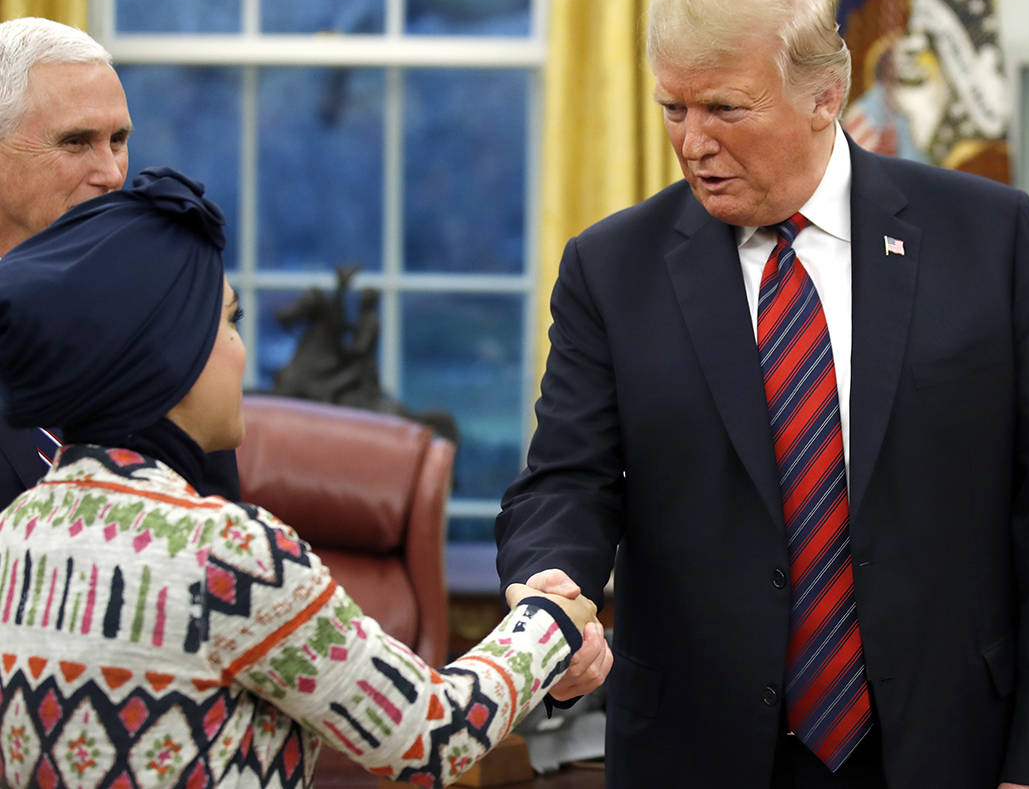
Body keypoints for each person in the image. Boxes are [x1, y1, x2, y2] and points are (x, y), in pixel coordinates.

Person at [496, 0, 1029, 789]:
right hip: (699, 749)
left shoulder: (986, 236)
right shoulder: (613, 268)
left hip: (946, 743)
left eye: (724, 108)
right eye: (672, 108)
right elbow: (567, 477)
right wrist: (550, 589)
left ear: (826, 95)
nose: (693, 141)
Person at [0, 168, 604, 787]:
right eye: (229, 322)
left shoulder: (16, 532)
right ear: (169, 356)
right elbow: (426, 736)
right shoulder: (226, 558)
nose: (240, 351)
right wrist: (548, 620)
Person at [0, 16, 240, 507]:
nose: (111, 173)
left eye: (118, 141)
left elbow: (218, 526)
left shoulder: (161, 317)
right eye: (75, 142)